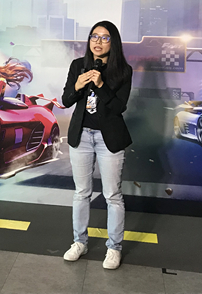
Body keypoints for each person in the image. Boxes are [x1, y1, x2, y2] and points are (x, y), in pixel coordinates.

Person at [61, 21, 133, 270]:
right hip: (81, 136)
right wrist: (78, 86)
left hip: (108, 138)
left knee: (112, 195)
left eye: (105, 37)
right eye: (94, 36)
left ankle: (114, 248)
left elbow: (118, 107)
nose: (98, 42)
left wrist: (101, 86)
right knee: (81, 192)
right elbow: (66, 100)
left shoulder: (123, 70)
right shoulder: (77, 66)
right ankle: (79, 242)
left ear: (113, 42)